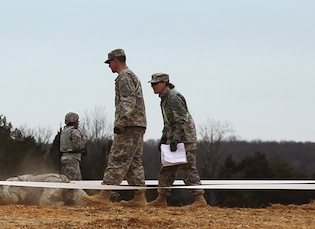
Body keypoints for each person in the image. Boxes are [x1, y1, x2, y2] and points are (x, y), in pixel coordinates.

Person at [84, 49, 147, 207]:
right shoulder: (131, 75)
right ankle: (139, 197)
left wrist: (121, 122)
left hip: (129, 125)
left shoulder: (124, 77)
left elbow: (128, 100)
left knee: (117, 158)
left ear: (116, 60)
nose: (109, 66)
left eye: (110, 62)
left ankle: (104, 195)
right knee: (133, 162)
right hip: (137, 124)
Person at [148, 73, 206, 207]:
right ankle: (161, 198)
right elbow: (169, 122)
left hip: (184, 139)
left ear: (165, 83)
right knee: (167, 168)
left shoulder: (173, 97)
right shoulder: (165, 99)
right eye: (152, 84)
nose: (153, 87)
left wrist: (176, 139)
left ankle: (199, 199)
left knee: (187, 169)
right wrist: (164, 138)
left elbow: (181, 119)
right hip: (174, 138)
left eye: (155, 84)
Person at [0, 173, 74, 206]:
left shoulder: (65, 185)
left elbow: (80, 195)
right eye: (70, 192)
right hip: (19, 187)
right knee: (9, 199)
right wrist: (62, 203)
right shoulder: (56, 183)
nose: (72, 195)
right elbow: (44, 202)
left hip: (23, 190)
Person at [59, 112, 86, 182]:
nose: (78, 122)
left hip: (64, 158)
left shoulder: (64, 131)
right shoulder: (74, 132)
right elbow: (78, 146)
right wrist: (84, 139)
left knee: (66, 180)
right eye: (77, 121)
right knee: (75, 182)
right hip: (72, 159)